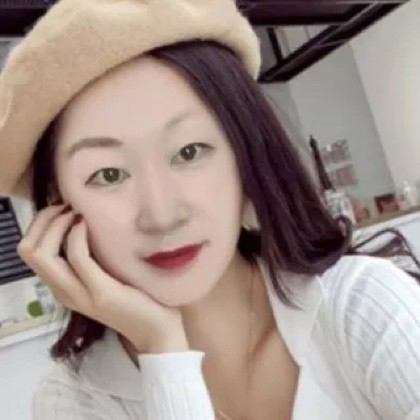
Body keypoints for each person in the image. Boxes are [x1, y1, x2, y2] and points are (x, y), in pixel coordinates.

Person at [0, 1, 419, 419]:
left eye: (189, 151)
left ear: (245, 157)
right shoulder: (73, 403)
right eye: (108, 175)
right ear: (58, 205)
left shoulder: (363, 308)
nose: (162, 215)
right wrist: (163, 352)